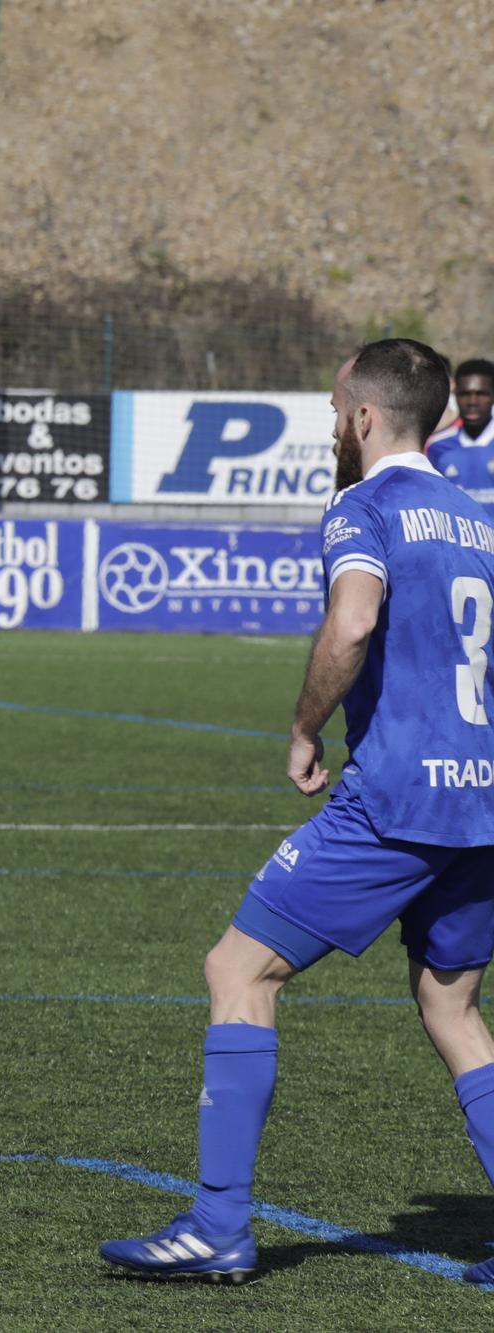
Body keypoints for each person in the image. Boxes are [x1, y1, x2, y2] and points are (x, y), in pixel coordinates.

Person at [100, 339, 494, 1283]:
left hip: (396, 797)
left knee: (239, 968)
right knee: (452, 1006)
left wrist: (303, 725)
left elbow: (353, 618)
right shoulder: (477, 516)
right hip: (483, 802)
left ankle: (219, 1225)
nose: (330, 421)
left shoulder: (365, 507)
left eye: (333, 407)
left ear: (363, 416)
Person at [425, 357, 494, 514]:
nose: (473, 402)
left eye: (482, 394)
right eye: (465, 394)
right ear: (455, 395)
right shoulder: (438, 448)